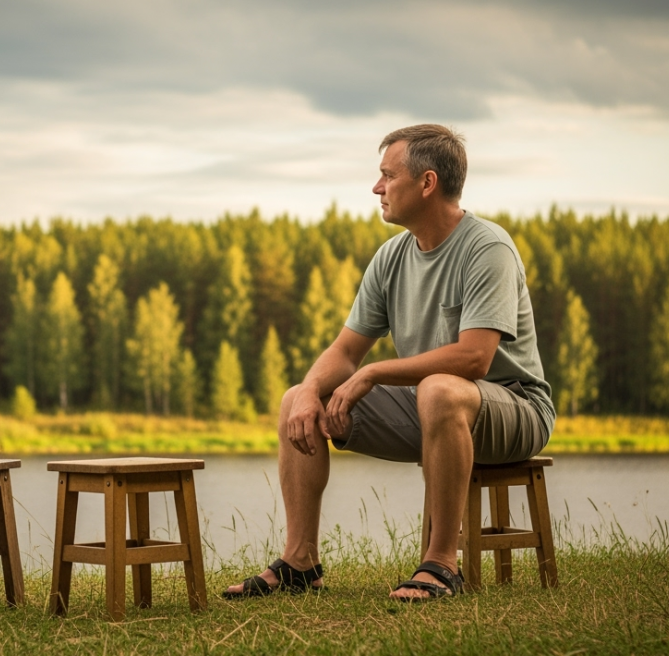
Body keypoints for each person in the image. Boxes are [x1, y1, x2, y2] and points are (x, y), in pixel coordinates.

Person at [222, 124, 555, 602]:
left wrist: (373, 373)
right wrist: (312, 391)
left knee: (439, 388)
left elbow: (474, 358)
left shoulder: (488, 248)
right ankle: (300, 564)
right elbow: (345, 352)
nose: (377, 187)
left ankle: (441, 565)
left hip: (515, 409)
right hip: (430, 408)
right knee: (298, 398)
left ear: (427, 182)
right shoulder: (392, 257)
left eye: (388, 175)